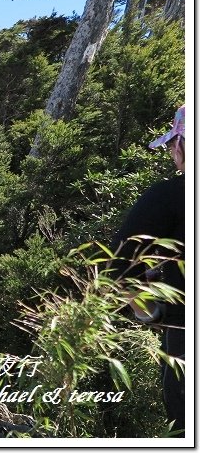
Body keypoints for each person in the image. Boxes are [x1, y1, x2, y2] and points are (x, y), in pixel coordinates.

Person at [111, 104, 185, 435]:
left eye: (172, 144)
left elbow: (116, 266)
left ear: (183, 145)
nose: (170, 151)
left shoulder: (173, 195)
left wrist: (148, 309)